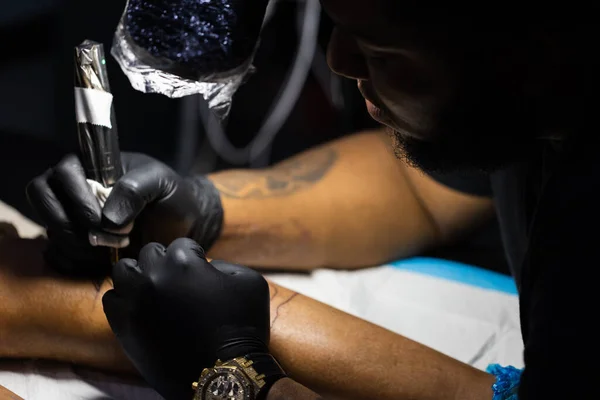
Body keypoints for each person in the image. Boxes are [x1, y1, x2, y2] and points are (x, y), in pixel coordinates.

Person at [23, 2, 599, 400]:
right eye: (336, 22)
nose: (338, 61)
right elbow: (420, 189)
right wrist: (205, 208)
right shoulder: (524, 110)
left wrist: (233, 374)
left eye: (383, 51)